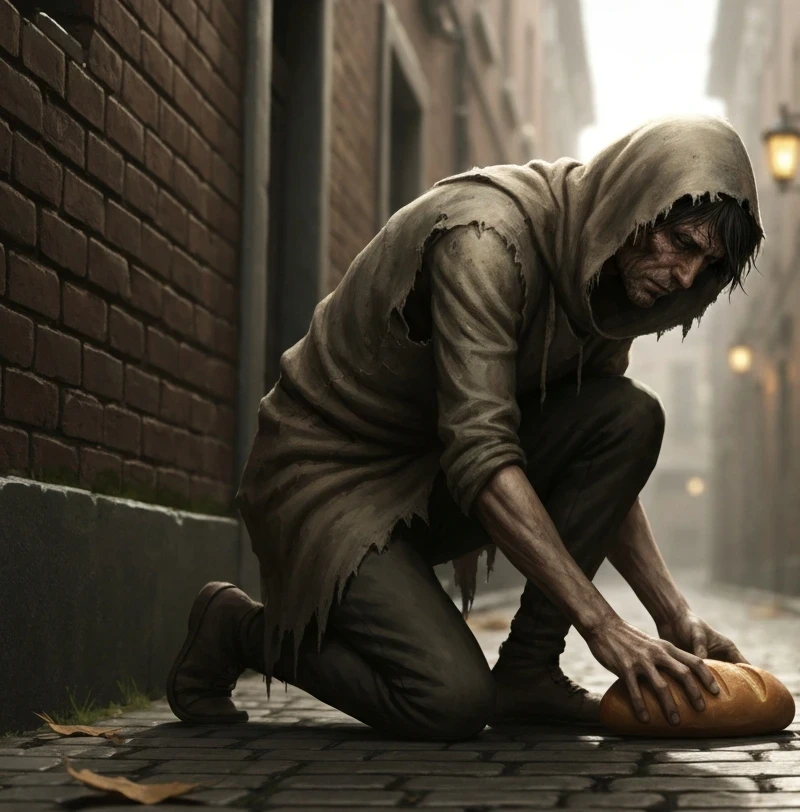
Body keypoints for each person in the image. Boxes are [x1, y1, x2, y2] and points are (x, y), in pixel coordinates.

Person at [166, 116, 765, 740]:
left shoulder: (601, 281)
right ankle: (236, 628)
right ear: (637, 204)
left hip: (431, 480)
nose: (687, 277)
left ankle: (528, 671)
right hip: (329, 476)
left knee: (630, 415)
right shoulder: (485, 239)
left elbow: (600, 458)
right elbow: (480, 448)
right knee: (448, 701)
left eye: (708, 264)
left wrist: (673, 614)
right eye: (684, 244)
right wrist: (603, 624)